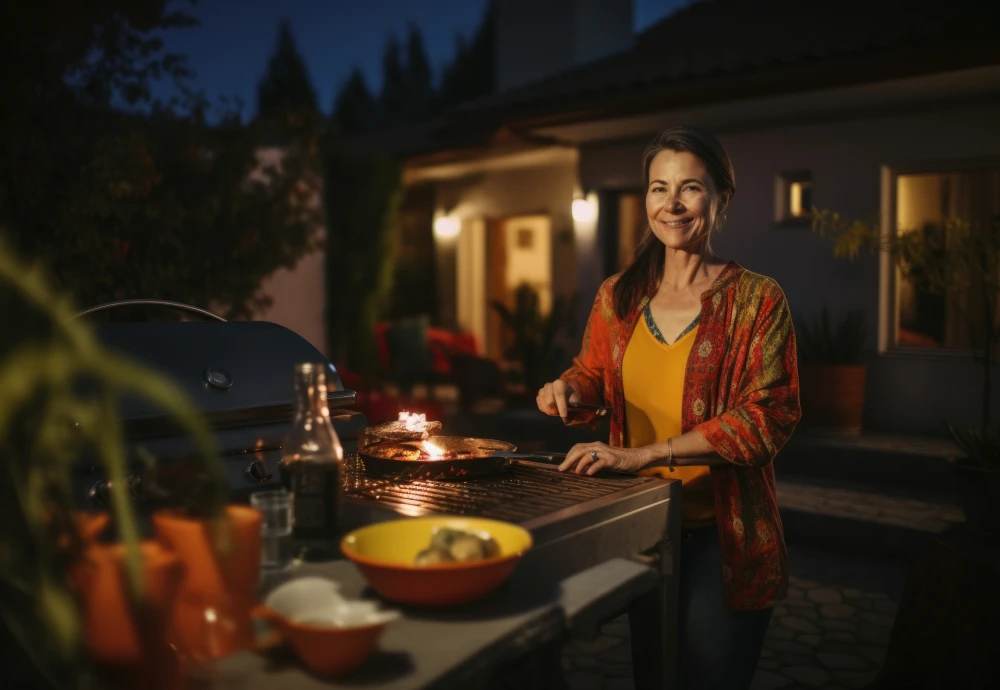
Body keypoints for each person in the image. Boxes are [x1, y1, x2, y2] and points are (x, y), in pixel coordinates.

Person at [537, 125, 801, 690]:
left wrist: (645, 455)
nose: (672, 204)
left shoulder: (757, 300)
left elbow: (767, 416)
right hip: (641, 530)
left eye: (690, 188)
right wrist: (570, 390)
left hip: (721, 540)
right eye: (659, 188)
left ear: (720, 199)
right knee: (654, 678)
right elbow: (593, 373)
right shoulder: (620, 295)